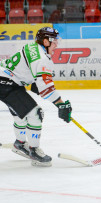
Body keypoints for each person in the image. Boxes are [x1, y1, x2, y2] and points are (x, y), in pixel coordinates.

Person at [0, 27, 72, 167]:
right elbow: (45, 88)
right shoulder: (41, 58)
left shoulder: (33, 47)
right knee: (35, 114)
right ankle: (34, 151)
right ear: (46, 41)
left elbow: (31, 78)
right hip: (6, 84)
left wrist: (42, 89)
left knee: (20, 113)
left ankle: (20, 144)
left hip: (6, 80)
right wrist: (61, 105)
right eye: (54, 41)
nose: (57, 44)